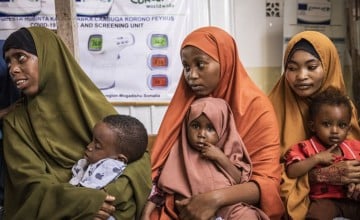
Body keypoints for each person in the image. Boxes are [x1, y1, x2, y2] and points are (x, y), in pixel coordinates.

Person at [2, 27, 152, 220]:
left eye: (21, 58)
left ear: (49, 57)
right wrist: (81, 201)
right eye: (8, 62)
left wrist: (106, 195)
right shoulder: (16, 122)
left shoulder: (86, 99)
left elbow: (136, 155)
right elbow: (29, 184)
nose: (13, 69)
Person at [142, 26, 284, 220]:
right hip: (183, 205)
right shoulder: (186, 102)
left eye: (201, 64)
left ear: (225, 60)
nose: (191, 75)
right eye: (186, 67)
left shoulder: (255, 108)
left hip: (233, 207)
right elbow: (164, 164)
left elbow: (266, 182)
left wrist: (213, 199)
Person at [268, 30, 360, 219]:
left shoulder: (344, 108)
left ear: (328, 66)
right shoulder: (271, 108)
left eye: (311, 67)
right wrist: (319, 175)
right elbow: (263, 173)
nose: (301, 76)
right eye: (292, 68)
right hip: (300, 205)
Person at [142, 97, 269, 219]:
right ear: (186, 125)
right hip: (194, 212)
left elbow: (240, 181)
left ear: (223, 129)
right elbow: (159, 189)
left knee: (248, 216)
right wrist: (146, 214)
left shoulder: (230, 153)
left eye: (210, 128)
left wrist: (221, 158)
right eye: (195, 126)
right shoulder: (178, 156)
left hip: (229, 208)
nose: (201, 134)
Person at [284, 87, 360, 219]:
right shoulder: (307, 147)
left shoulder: (354, 147)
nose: (335, 131)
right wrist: (316, 159)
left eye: (341, 125)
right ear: (313, 126)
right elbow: (292, 171)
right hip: (325, 201)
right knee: (317, 215)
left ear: (348, 129)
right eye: (327, 124)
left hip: (352, 200)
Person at [70, 114, 149, 220]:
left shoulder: (109, 167)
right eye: (92, 140)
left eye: (97, 146)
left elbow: (87, 195)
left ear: (119, 160)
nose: (89, 147)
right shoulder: (91, 163)